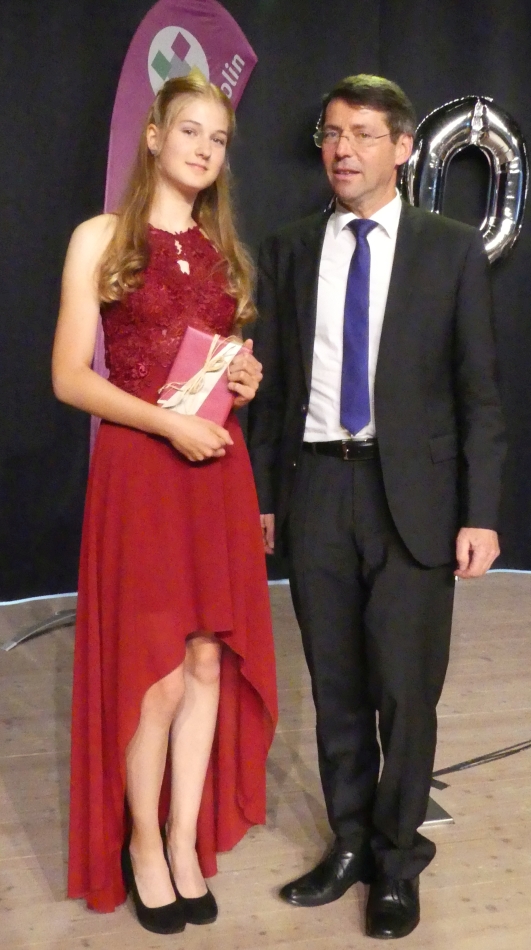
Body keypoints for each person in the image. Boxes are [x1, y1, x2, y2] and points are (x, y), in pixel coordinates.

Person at [248, 74, 505, 940]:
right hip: (317, 487)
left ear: (401, 147)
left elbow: (478, 394)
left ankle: (397, 861)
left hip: (416, 499)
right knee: (336, 686)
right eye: (331, 133)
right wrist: (264, 497)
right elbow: (273, 390)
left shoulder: (449, 249)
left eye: (362, 134)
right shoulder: (288, 248)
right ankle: (350, 841)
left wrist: (480, 511)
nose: (342, 149)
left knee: (404, 690)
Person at [52, 70, 277, 934]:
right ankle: (142, 844)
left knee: (207, 660)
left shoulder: (223, 254)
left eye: (217, 139)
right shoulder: (101, 238)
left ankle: (185, 840)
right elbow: (70, 379)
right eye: (189, 131)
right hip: (141, 470)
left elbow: (219, 370)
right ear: (153, 136)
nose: (203, 149)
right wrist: (164, 424)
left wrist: (244, 378)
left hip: (213, 470)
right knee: (154, 675)